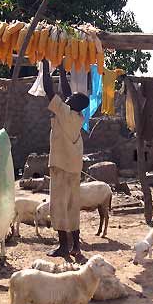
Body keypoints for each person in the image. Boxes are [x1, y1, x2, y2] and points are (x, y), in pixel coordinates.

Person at [41, 59, 89, 261]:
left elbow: (48, 90)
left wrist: (45, 66)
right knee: (72, 205)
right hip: (74, 167)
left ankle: (63, 246)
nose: (66, 98)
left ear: (72, 104)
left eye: (69, 99)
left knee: (59, 206)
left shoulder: (64, 112)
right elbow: (68, 93)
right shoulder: (77, 116)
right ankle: (76, 246)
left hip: (61, 167)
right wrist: (61, 69)